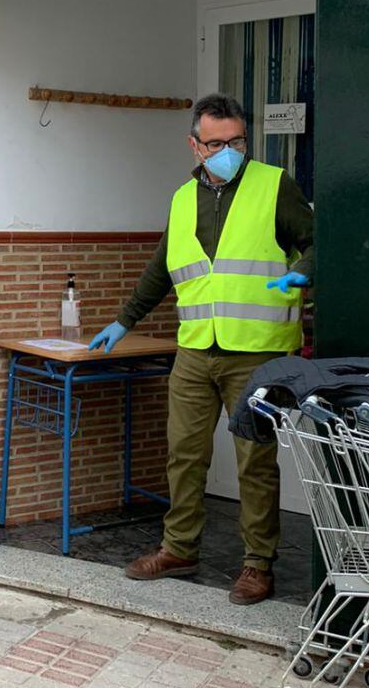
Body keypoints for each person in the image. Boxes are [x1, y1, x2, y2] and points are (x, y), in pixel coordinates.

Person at [89, 93, 313, 605]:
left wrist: (305, 272)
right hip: (195, 349)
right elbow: (161, 270)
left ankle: (258, 565)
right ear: (195, 145)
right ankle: (179, 549)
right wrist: (123, 322)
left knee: (254, 461)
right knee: (184, 454)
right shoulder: (181, 198)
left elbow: (317, 240)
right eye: (216, 143)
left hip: (257, 353)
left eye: (236, 140)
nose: (228, 150)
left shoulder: (274, 186)